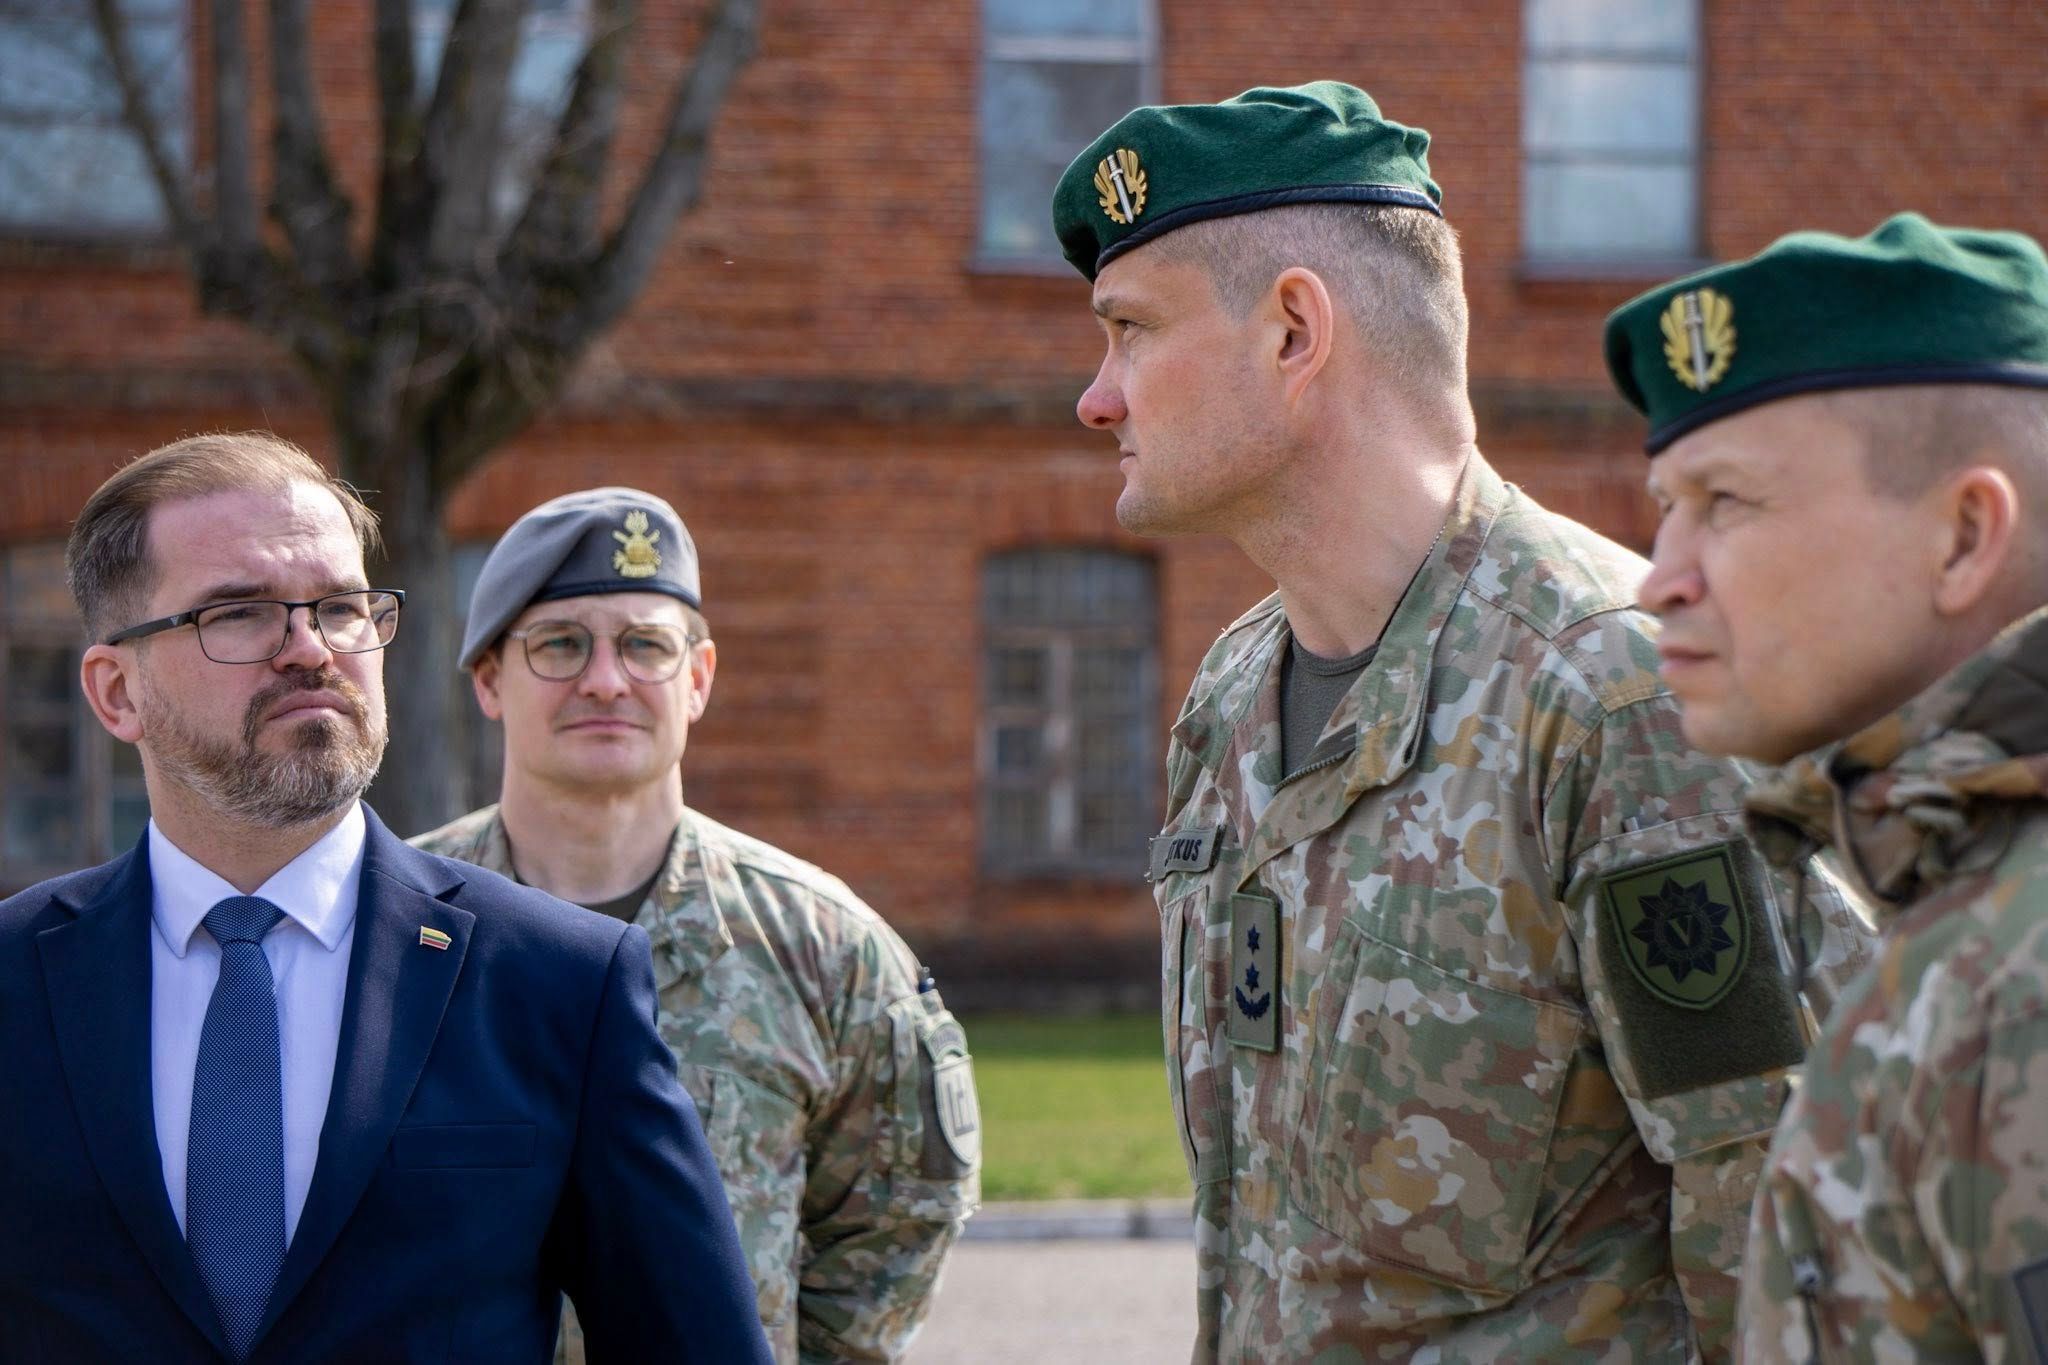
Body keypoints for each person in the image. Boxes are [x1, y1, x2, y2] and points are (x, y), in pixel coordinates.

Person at [1053, 82, 1875, 1360]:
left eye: (1130, 331)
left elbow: (1785, 1240)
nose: (1096, 399)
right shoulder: (1231, 695)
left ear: (1292, 332)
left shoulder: (1615, 698)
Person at [0, 434, 770, 1364]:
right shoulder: (16, 979)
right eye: (239, 613)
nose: (310, 649)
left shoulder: (558, 983)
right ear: (116, 690)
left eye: (340, 607)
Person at [1610, 213, 2048, 1363]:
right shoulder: (1958, 897)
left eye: (1725, 502)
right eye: (1665, 505)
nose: (1658, 578)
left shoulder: (2019, 984)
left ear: (1962, 536)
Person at [413, 487, 978, 1364]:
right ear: (489, 679)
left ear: (700, 677)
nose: (607, 680)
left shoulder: (820, 945)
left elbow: (905, 1205)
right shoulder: (397, 928)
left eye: (646, 645)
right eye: (560, 644)